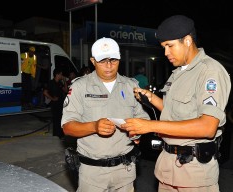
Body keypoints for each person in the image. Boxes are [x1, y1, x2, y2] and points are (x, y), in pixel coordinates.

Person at [120, 15, 231, 191]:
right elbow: (175, 112)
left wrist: (150, 126)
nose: (166, 53)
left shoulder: (210, 72)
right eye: (163, 47)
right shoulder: (178, 73)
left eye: (170, 46)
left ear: (187, 40)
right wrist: (152, 98)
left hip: (195, 174)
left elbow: (207, 127)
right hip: (168, 168)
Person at [61, 37, 150, 192]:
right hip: (92, 173)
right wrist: (94, 126)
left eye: (113, 60)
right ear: (93, 61)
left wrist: (137, 132)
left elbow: (143, 119)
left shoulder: (131, 86)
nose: (109, 65)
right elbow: (68, 127)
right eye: (103, 60)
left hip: (125, 171)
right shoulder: (80, 87)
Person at [43, 67, 68, 139]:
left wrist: (64, 81)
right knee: (56, 119)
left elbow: (66, 91)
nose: (62, 76)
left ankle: (60, 134)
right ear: (57, 75)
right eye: (61, 74)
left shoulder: (60, 83)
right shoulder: (51, 82)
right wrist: (52, 98)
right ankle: (57, 134)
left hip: (61, 103)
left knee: (61, 119)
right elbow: (45, 92)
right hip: (55, 104)